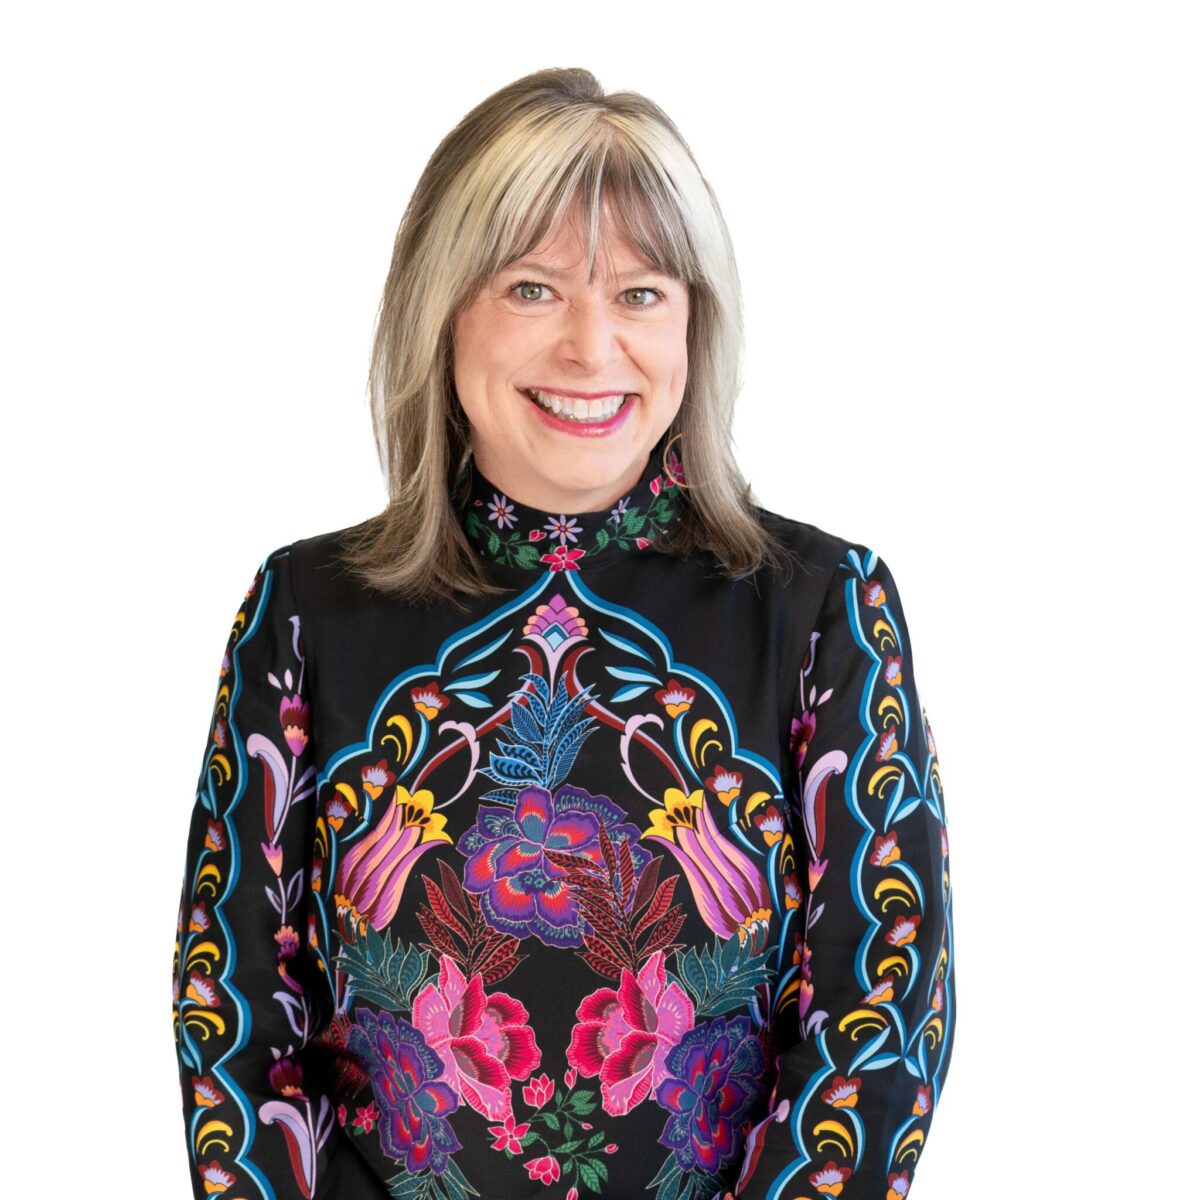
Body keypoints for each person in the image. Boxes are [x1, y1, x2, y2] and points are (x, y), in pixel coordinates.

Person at [172, 67, 955, 1200]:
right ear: (441, 312)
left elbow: (879, 1025)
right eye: (533, 289)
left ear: (695, 324)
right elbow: (235, 1019)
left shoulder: (821, 608)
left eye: (640, 293)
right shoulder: (303, 611)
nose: (593, 348)